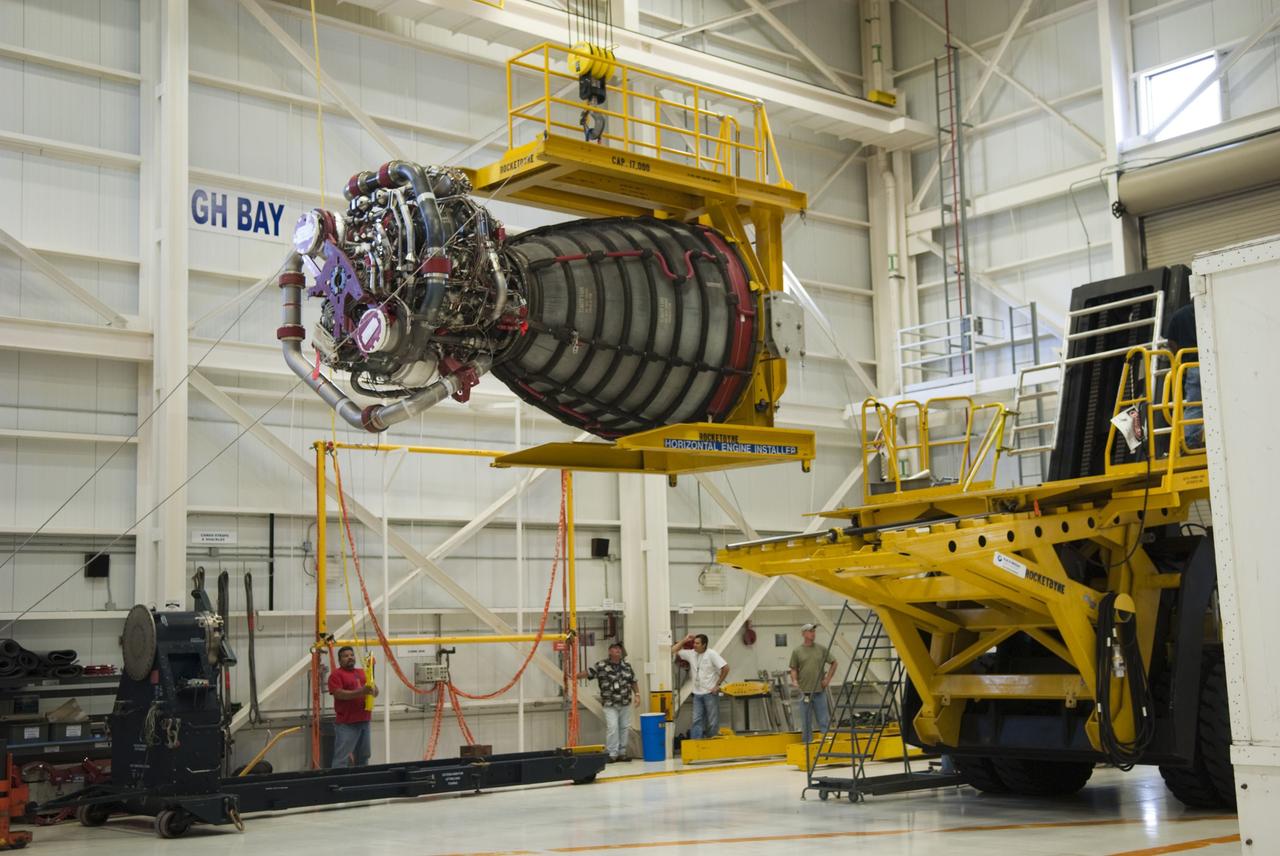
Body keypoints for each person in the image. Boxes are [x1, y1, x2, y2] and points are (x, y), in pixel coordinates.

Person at [585, 643, 640, 762]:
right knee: (613, 727)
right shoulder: (601, 665)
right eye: (615, 648)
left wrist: (637, 695)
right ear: (609, 651)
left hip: (625, 702)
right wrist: (573, 676)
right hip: (609, 703)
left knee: (624, 727)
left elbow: (633, 681)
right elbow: (588, 673)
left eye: (619, 649)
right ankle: (612, 753)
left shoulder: (627, 666)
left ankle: (622, 753)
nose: (618, 650)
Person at [327, 645, 377, 767]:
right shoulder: (336, 675)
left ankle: (361, 778)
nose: (350, 657)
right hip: (347, 724)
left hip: (364, 721)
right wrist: (362, 692)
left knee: (364, 756)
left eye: (352, 655)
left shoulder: (363, 672)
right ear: (340, 660)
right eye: (346, 656)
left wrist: (373, 682)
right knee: (341, 759)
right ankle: (338, 779)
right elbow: (339, 694)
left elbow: (375, 692)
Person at [672, 633, 729, 740]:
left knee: (712, 721)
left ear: (704, 645)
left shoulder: (711, 654)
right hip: (697, 694)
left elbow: (726, 668)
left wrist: (718, 685)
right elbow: (672, 650)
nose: (694, 645)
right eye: (694, 643)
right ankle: (696, 744)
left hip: (710, 693)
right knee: (696, 720)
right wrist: (685, 640)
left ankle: (711, 742)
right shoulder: (691, 654)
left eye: (697, 643)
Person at [789, 623, 838, 745]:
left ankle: (826, 745)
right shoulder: (797, 651)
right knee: (806, 721)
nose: (813, 634)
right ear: (803, 634)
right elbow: (793, 668)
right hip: (804, 693)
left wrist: (827, 679)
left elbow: (834, 663)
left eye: (814, 631)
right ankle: (807, 744)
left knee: (823, 720)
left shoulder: (821, 649)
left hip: (819, 692)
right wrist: (794, 680)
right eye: (810, 631)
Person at [1166, 303, 1203, 449]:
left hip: (1191, 366)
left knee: (1194, 406)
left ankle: (1190, 442)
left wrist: (1179, 358)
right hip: (1214, 364)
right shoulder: (1212, 308)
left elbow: (1171, 342)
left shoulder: (1179, 315)